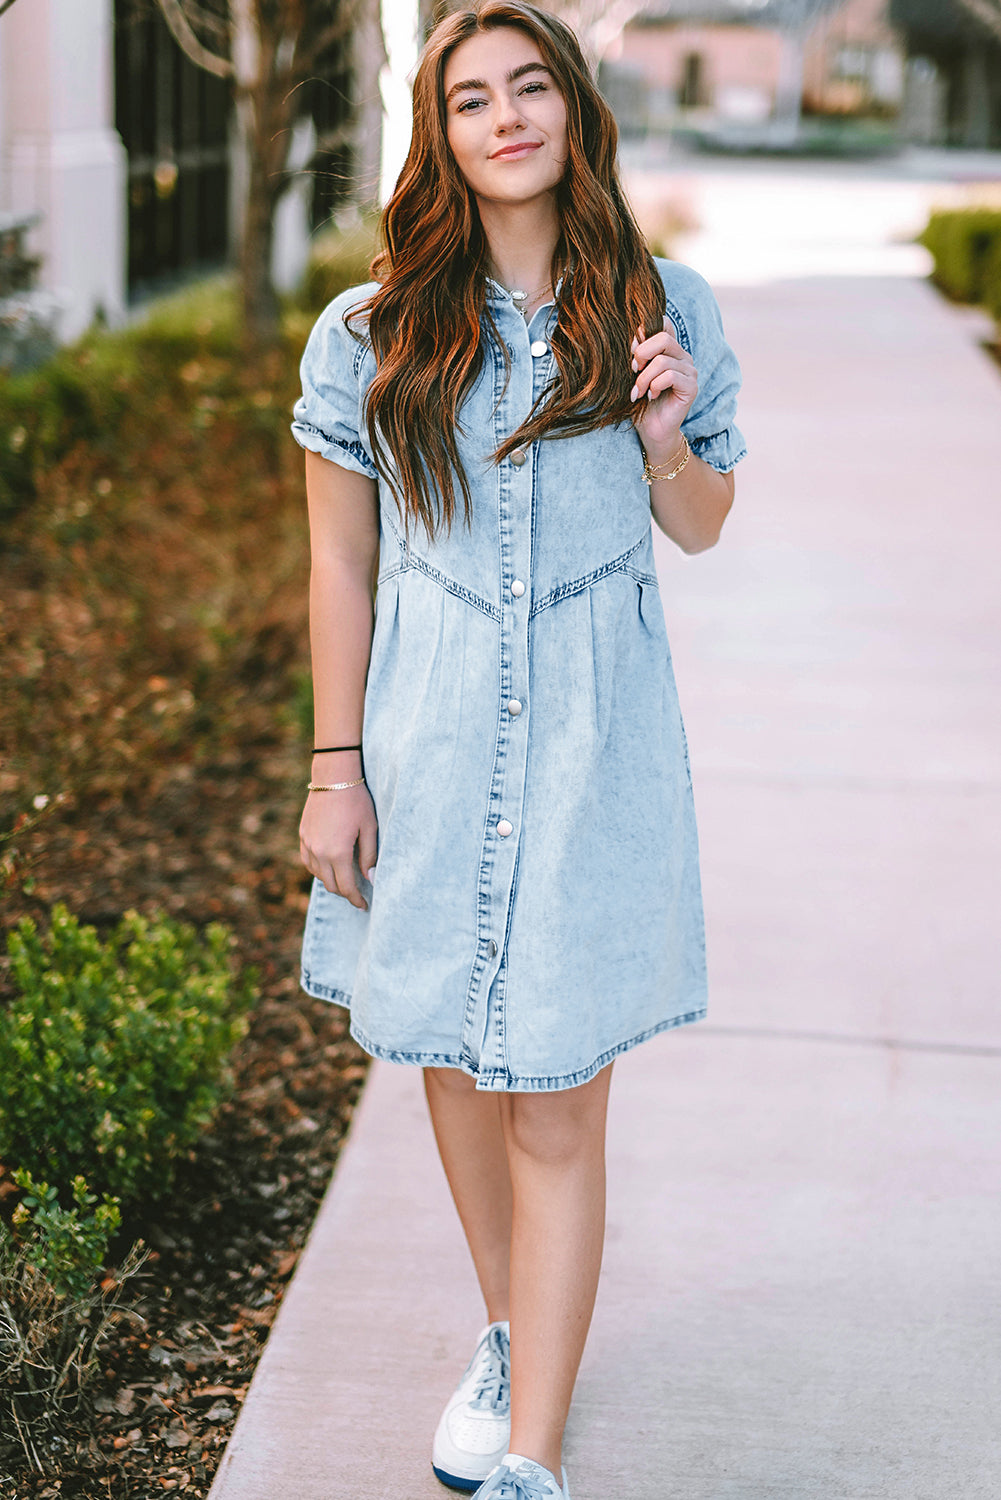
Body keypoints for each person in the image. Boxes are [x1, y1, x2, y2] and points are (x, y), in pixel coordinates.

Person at [291, 4, 745, 1496]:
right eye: (471, 96)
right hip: (425, 742)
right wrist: (332, 769)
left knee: (552, 1091)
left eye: (528, 85)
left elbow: (699, 525)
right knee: (447, 1062)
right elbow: (341, 569)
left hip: (584, 752)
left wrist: (664, 426)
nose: (505, 116)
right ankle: (507, 1329)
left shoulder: (660, 301)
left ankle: (531, 1457)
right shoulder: (369, 334)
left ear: (569, 107)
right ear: (441, 132)